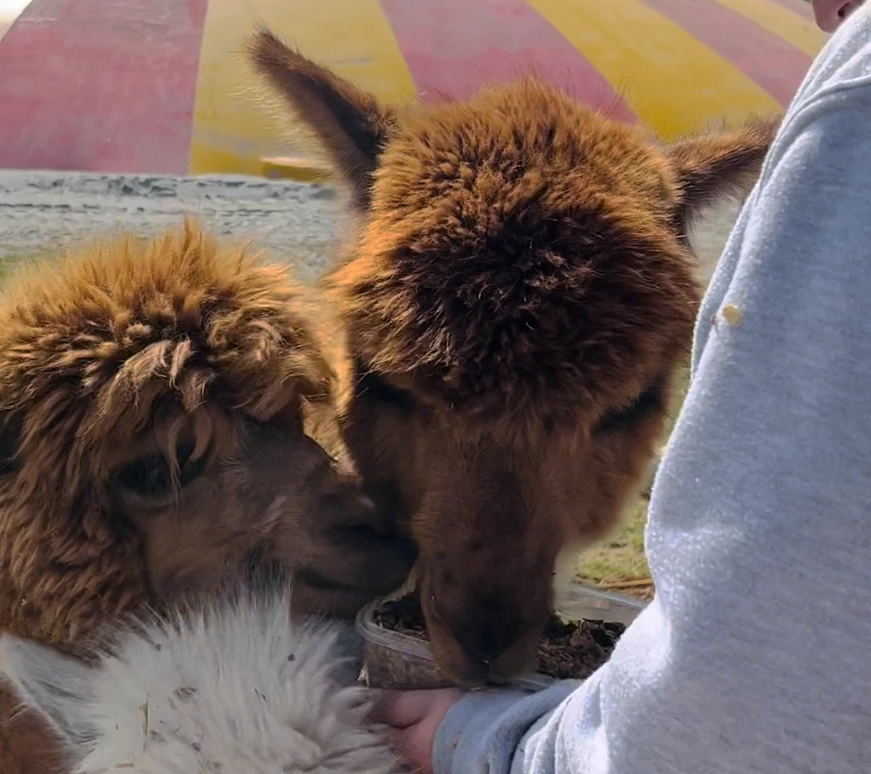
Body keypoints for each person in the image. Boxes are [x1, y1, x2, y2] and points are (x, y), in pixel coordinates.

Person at [370, 1, 871, 771]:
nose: (819, 11)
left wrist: (500, 748)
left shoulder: (854, 111)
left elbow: (754, 695)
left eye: (605, 418)